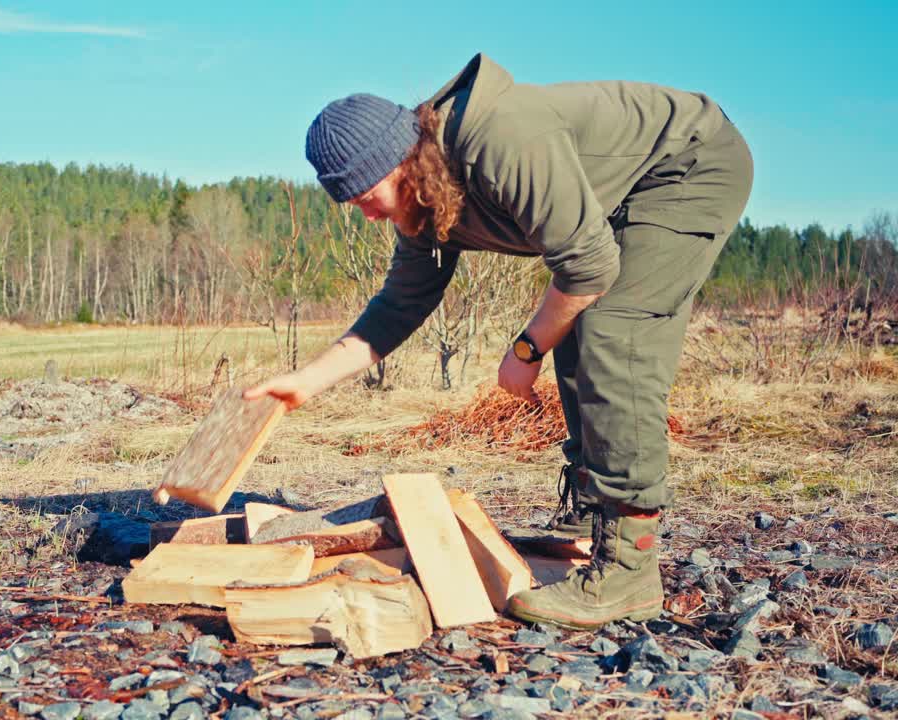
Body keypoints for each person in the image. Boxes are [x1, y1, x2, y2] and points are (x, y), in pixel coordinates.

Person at [243, 53, 753, 629]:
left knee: (614, 331)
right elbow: (399, 306)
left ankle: (630, 570)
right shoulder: (424, 196)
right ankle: (595, 515)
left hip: (688, 164)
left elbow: (587, 268)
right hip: (635, 185)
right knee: (582, 324)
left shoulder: (498, 141)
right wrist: (304, 382)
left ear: (398, 163)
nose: (364, 215)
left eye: (363, 196)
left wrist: (526, 350)